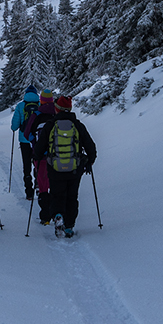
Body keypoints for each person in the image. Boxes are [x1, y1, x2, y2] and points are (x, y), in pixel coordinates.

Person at [33, 95, 96, 238]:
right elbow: (90, 147)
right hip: (74, 168)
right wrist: (90, 161)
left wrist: (36, 158)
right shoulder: (78, 125)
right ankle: (69, 226)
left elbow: (39, 148)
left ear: (57, 109)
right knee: (72, 196)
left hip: (55, 168)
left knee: (56, 195)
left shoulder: (50, 125)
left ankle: (58, 215)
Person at [28, 93, 58, 223]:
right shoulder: (56, 114)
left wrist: (35, 145)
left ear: (41, 101)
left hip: (40, 156)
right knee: (55, 184)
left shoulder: (36, 115)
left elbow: (27, 133)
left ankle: (45, 216)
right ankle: (56, 213)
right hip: (56, 156)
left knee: (42, 185)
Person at [9, 85, 40, 199]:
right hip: (37, 140)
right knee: (38, 163)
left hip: (24, 140)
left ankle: (29, 191)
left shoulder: (21, 106)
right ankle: (38, 185)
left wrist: (14, 128)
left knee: (26, 165)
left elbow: (15, 126)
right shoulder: (40, 105)